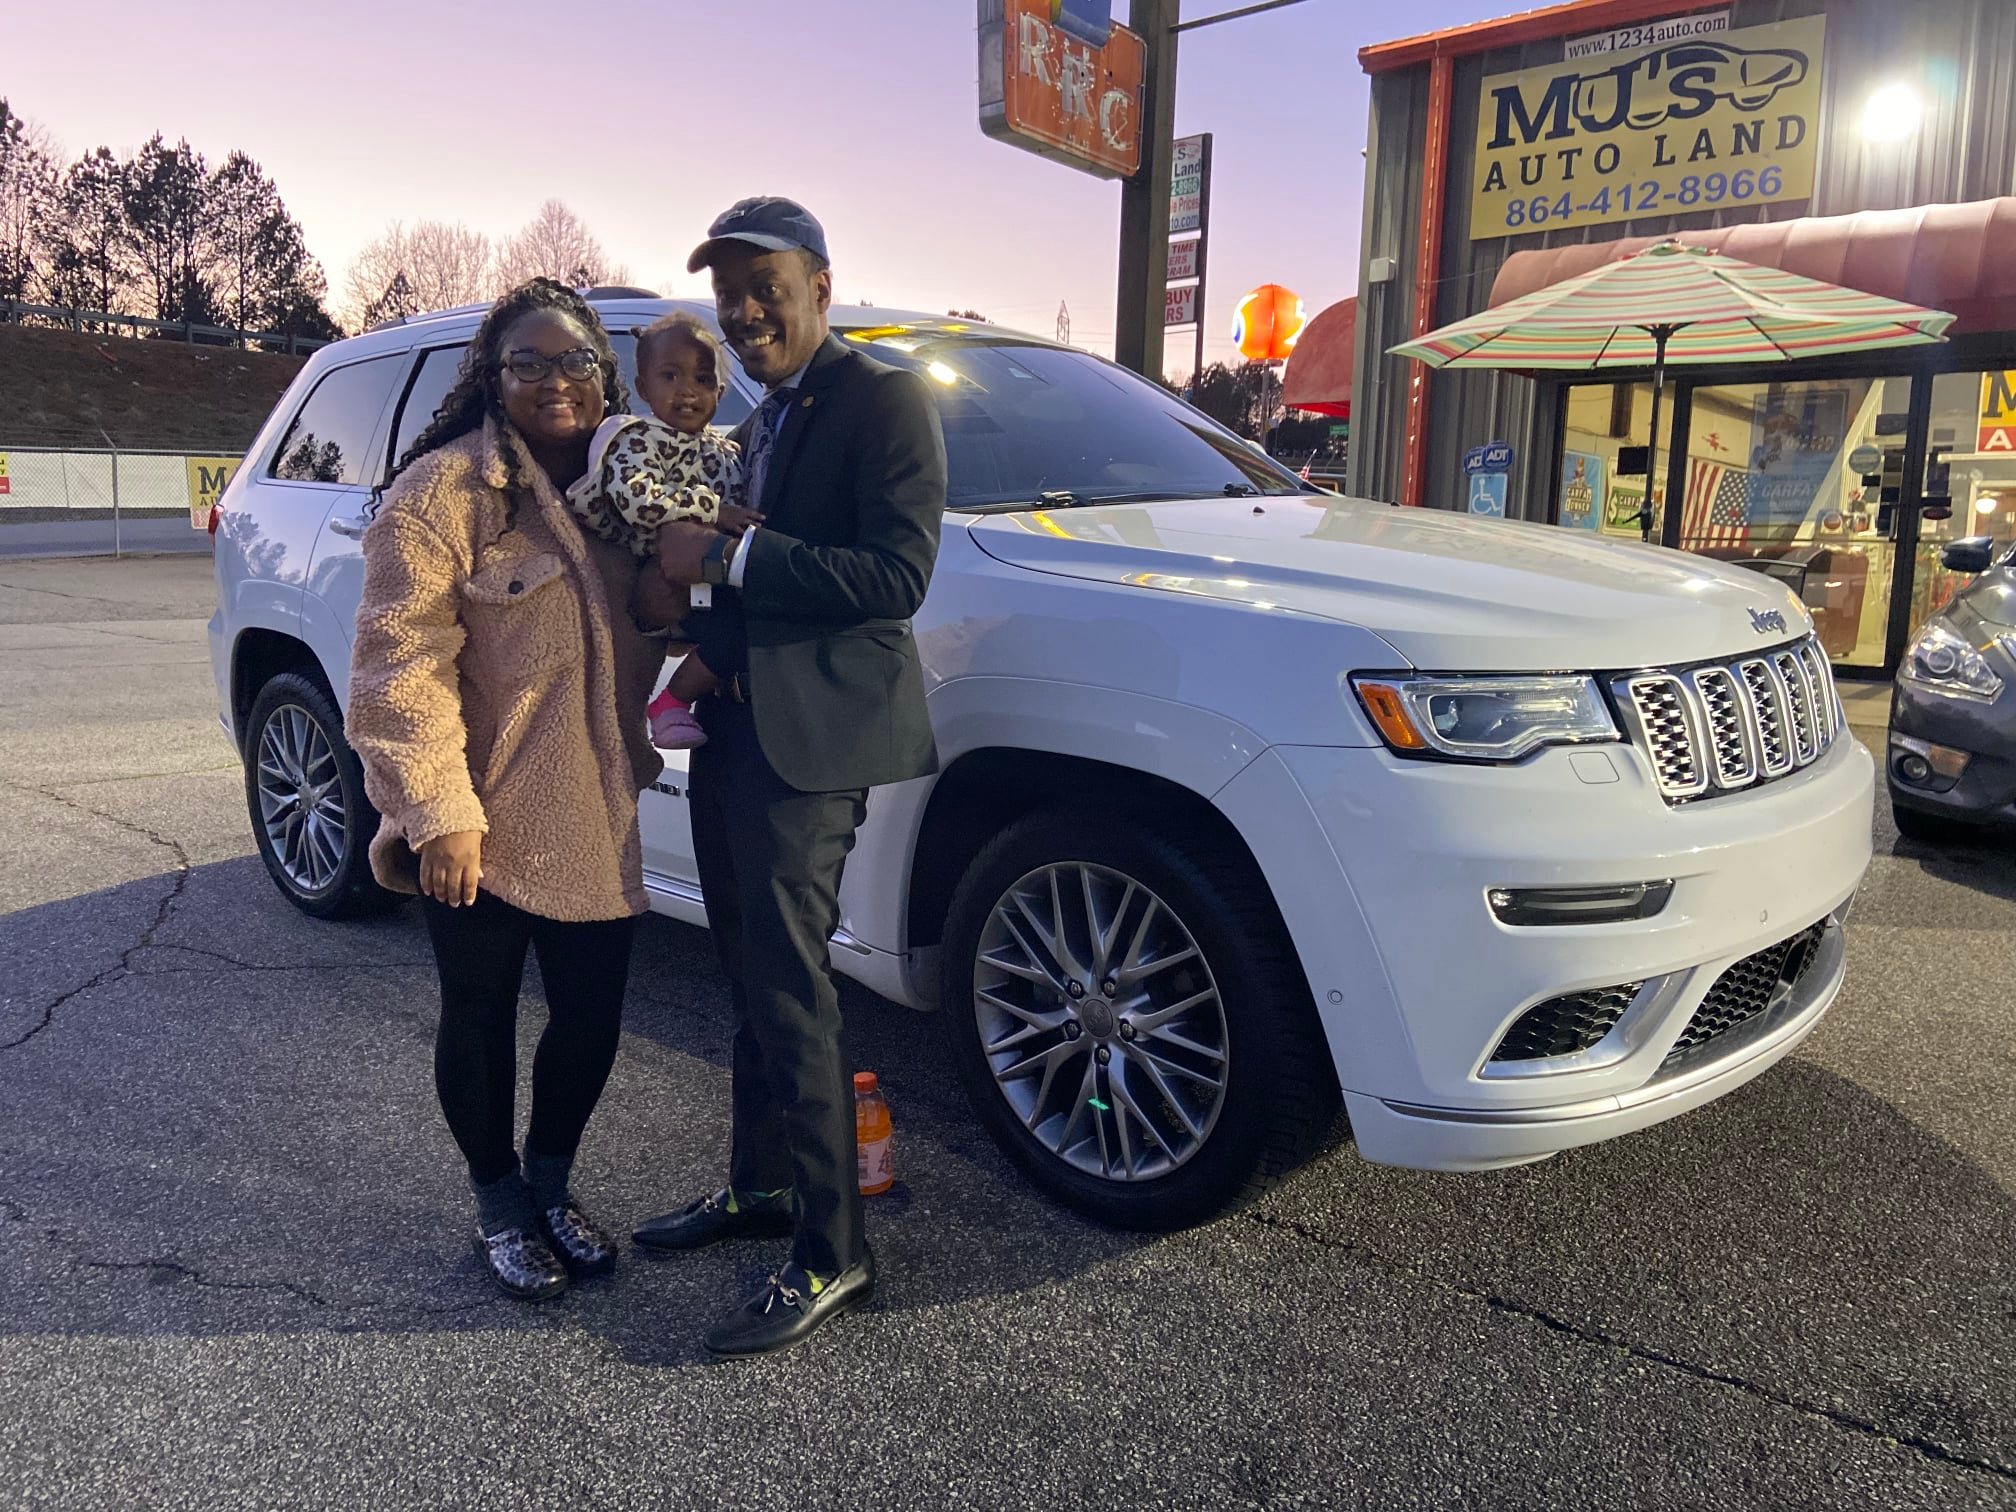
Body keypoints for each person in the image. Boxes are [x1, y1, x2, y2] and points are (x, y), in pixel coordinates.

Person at [630, 198, 947, 1358]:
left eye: (764, 285)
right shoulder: (766, 417)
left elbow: (895, 575)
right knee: (749, 969)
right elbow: (746, 579)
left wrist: (729, 549)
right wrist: (692, 602)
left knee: (788, 983)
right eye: (728, 292)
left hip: (813, 744)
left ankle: (832, 1248)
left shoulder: (883, 398)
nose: (743, 310)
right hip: (739, 728)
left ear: (819, 284)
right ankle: (761, 1186)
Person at [346, 279, 666, 1301]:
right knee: (479, 1013)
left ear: (604, 376)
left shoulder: (629, 494)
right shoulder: (443, 494)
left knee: (592, 1017)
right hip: (477, 819)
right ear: (492, 376)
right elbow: (399, 666)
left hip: (593, 806)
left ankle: (551, 1184)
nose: (555, 380)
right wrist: (438, 812)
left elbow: (672, 607)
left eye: (575, 361)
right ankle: (499, 1204)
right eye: (528, 362)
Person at [561, 312, 762, 749]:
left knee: (748, 628)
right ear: (643, 387)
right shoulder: (636, 439)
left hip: (718, 577)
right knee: (738, 633)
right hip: (669, 582)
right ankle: (670, 703)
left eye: (703, 379)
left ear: (720, 392)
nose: (687, 390)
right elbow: (638, 500)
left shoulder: (725, 449)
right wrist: (713, 511)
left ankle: (676, 705)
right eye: (670, 376)